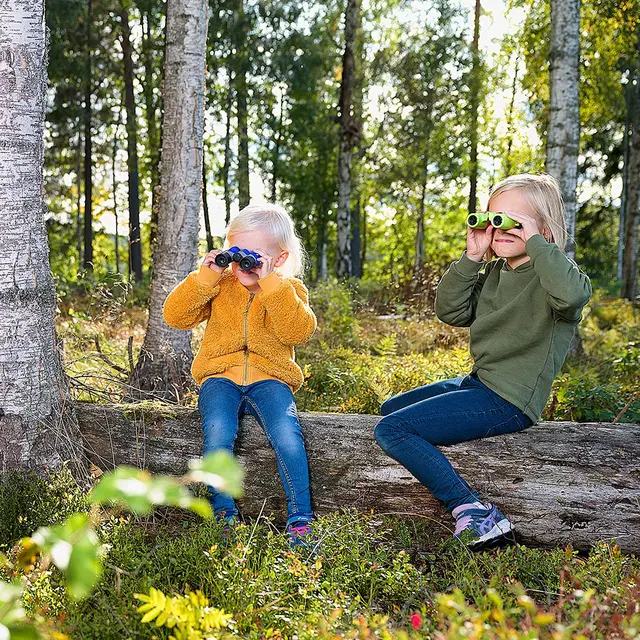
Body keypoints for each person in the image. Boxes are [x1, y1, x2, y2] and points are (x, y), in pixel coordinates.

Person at [374, 173, 592, 549]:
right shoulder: (492, 272)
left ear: (545, 231)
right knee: (390, 408)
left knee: (392, 430)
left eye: (515, 221)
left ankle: (472, 510)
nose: (501, 228)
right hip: (479, 383)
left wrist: (538, 244)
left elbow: (572, 297)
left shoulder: (557, 279)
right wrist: (472, 256)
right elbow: (450, 310)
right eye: (494, 218)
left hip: (510, 399)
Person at [163, 204, 317, 547]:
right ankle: (223, 513)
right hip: (220, 376)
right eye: (235, 254)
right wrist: (207, 276)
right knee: (218, 432)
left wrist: (271, 285)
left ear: (278, 259)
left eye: (254, 256)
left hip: (271, 378)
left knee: (288, 435)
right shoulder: (221, 285)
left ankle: (301, 517)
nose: (242, 264)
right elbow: (174, 316)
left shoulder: (288, 289)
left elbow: (298, 331)